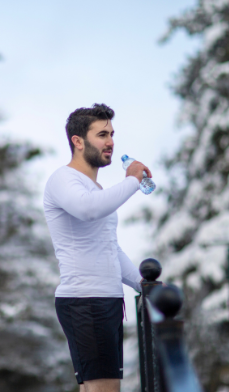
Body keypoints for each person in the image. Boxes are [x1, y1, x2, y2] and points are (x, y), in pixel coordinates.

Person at [43, 103, 151, 392]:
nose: (111, 142)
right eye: (102, 134)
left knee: (98, 388)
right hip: (85, 300)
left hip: (107, 300)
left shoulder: (96, 190)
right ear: (77, 141)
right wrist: (133, 181)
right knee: (105, 389)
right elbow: (88, 210)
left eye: (112, 134)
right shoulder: (63, 179)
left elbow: (110, 249)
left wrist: (143, 284)